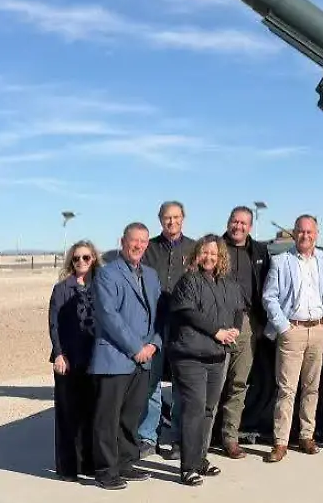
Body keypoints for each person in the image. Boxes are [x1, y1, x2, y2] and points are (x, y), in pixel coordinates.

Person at [89, 222, 163, 490]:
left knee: (130, 416)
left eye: (143, 241)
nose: (139, 245)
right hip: (115, 358)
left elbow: (159, 315)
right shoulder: (107, 274)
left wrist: (153, 345)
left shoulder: (151, 275)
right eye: (134, 240)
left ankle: (125, 463)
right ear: (123, 242)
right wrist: (136, 348)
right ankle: (105, 471)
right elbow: (109, 316)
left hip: (143, 359)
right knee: (107, 419)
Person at [261, 214, 323, 463]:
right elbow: (269, 296)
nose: (305, 235)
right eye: (301, 231)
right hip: (292, 330)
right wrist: (283, 327)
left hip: (318, 330)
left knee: (312, 387)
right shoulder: (281, 261)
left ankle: (307, 435)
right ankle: (281, 442)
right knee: (286, 389)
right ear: (294, 233)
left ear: (316, 234)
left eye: (309, 231)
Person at [166, 234, 243, 486]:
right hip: (190, 356)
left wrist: (235, 329)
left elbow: (238, 309)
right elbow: (188, 312)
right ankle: (188, 467)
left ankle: (200, 459)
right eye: (205, 252)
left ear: (221, 257)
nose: (209, 257)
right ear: (197, 254)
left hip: (217, 355)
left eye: (214, 253)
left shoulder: (228, 283)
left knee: (209, 410)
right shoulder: (189, 280)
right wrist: (217, 331)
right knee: (194, 410)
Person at [139, 200, 196, 459]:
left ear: (183, 218)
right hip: (153, 325)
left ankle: (178, 437)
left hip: (183, 326)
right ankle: (148, 436)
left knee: (181, 385)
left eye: (175, 217)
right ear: (160, 219)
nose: (171, 222)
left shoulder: (194, 248)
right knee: (151, 382)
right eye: (166, 218)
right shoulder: (148, 248)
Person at [217, 205, 271, 459]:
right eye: (234, 221)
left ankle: (230, 437)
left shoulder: (259, 251)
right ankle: (204, 436)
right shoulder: (215, 247)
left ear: (250, 227)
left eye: (243, 223)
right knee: (213, 383)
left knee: (238, 383)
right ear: (228, 222)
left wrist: (260, 323)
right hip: (217, 322)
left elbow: (267, 287)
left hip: (246, 324)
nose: (237, 226)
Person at [48, 240, 100, 481]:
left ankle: (88, 463)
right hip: (67, 360)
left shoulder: (100, 286)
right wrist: (59, 353)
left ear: (94, 259)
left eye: (86, 257)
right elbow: (54, 324)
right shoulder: (61, 289)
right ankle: (67, 468)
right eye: (77, 258)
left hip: (94, 359)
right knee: (68, 415)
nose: (81, 262)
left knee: (91, 413)